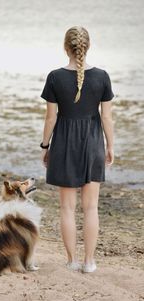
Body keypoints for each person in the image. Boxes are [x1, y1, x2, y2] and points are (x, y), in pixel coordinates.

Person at [40, 26, 114, 273]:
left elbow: (50, 119)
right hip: (93, 143)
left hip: (64, 144)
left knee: (67, 208)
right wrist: (110, 146)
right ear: (87, 47)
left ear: (65, 47)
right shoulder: (102, 76)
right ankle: (89, 262)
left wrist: (45, 145)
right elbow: (107, 118)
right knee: (91, 207)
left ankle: (72, 261)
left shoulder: (54, 77)